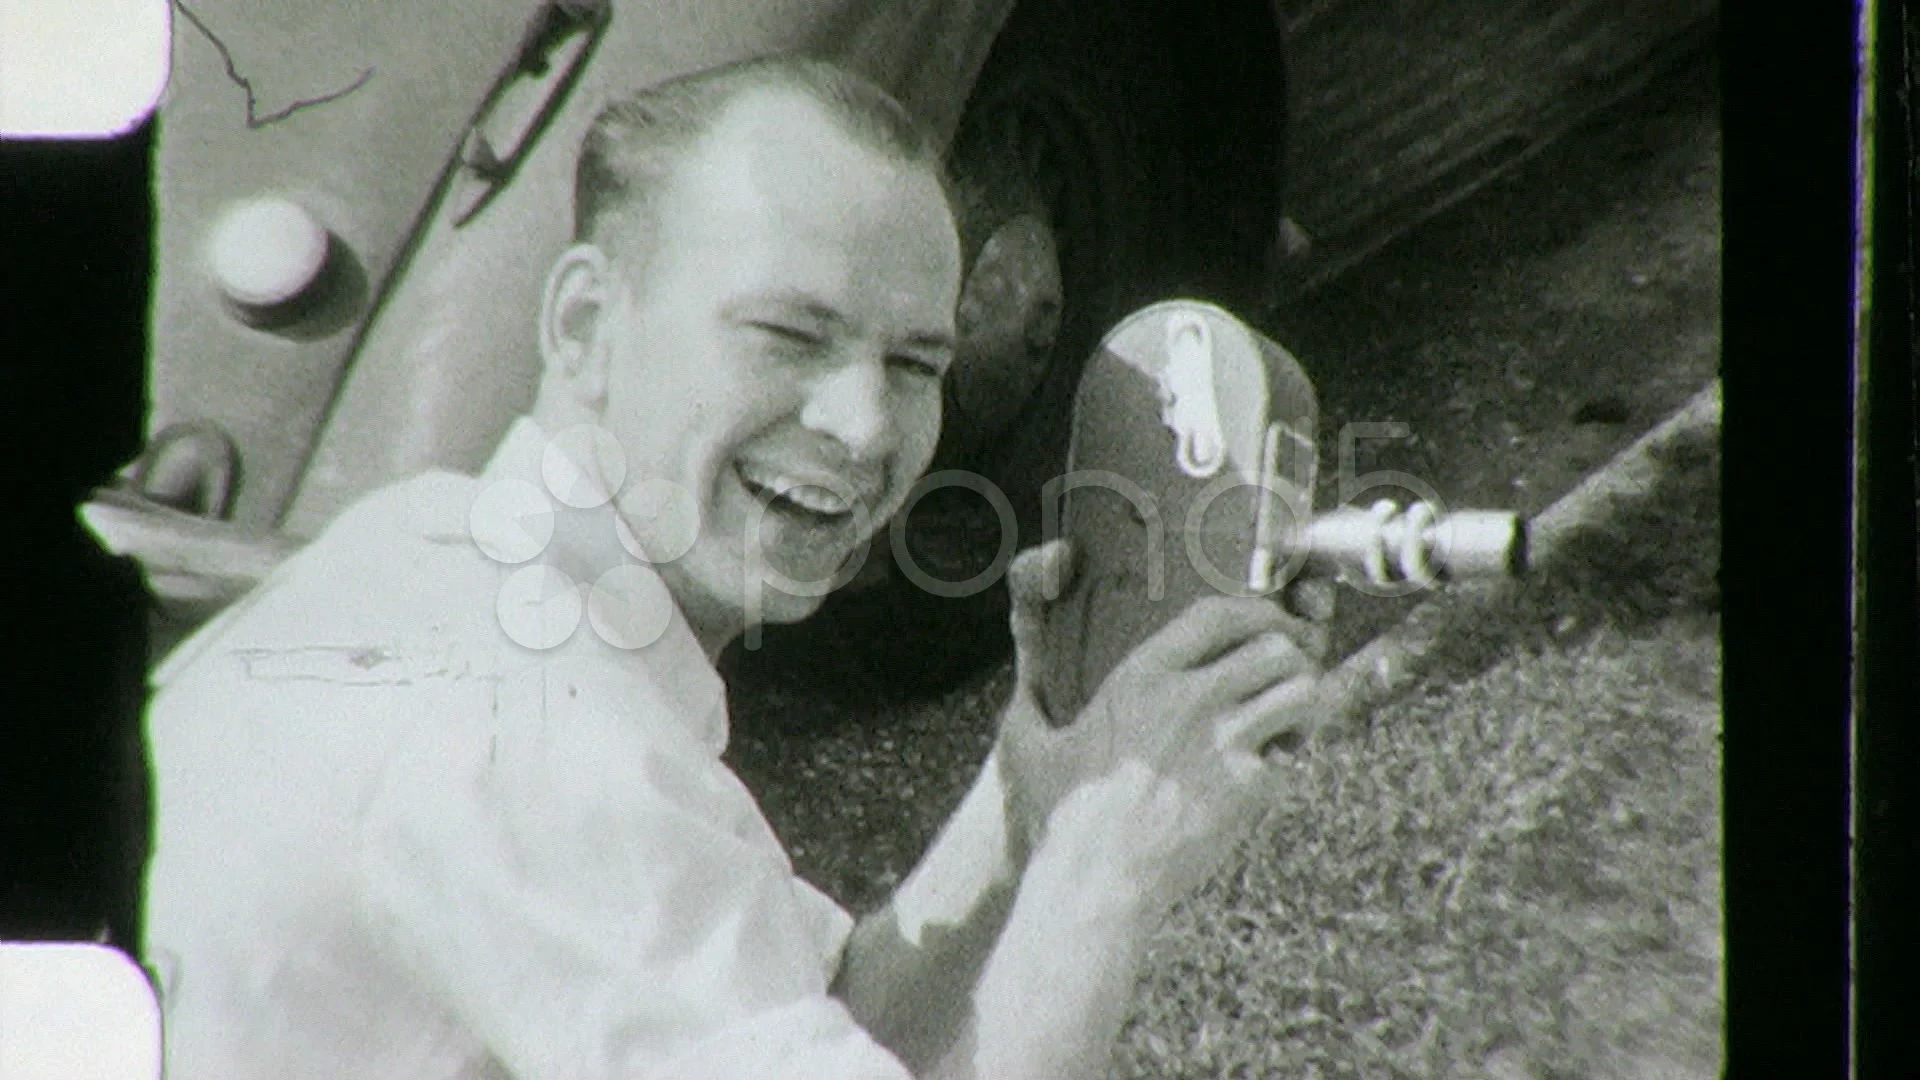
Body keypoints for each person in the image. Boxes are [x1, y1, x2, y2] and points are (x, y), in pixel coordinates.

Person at [140, 55, 1327, 1079]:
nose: (866, 425)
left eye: (917, 362)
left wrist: (1026, 807)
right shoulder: (523, 729)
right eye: (789, 335)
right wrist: (1106, 863)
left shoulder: (446, 553)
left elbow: (809, 1026)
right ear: (582, 326)